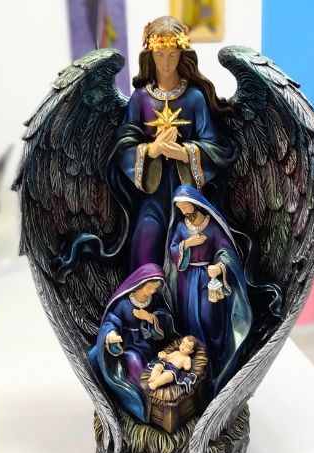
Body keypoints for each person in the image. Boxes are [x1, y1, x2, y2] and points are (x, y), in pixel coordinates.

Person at [110, 16, 238, 270]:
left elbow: (216, 146)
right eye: (160, 55)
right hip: (152, 196)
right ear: (150, 55)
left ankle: (188, 294)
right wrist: (151, 149)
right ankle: (147, 293)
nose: (166, 63)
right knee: (145, 242)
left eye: (172, 54)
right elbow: (122, 146)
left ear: (182, 54)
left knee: (193, 248)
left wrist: (186, 153)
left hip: (189, 196)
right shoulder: (140, 99)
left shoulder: (195, 97)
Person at [165, 184, 253, 395]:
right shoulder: (181, 227)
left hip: (207, 279)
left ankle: (215, 364)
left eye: (185, 205)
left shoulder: (212, 227)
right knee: (190, 321)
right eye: (179, 207)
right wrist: (186, 244)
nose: (182, 210)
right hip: (186, 281)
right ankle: (197, 369)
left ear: (194, 203)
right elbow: (172, 250)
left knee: (210, 319)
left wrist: (220, 267)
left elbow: (227, 253)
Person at [88, 263, 176, 422]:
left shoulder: (154, 300)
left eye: (157, 287)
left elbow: (164, 318)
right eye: (152, 286)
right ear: (142, 283)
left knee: (148, 363)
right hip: (127, 343)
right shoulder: (124, 303)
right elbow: (112, 321)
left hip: (145, 343)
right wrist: (111, 334)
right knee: (131, 361)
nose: (154, 290)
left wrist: (150, 318)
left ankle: (153, 400)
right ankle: (140, 401)